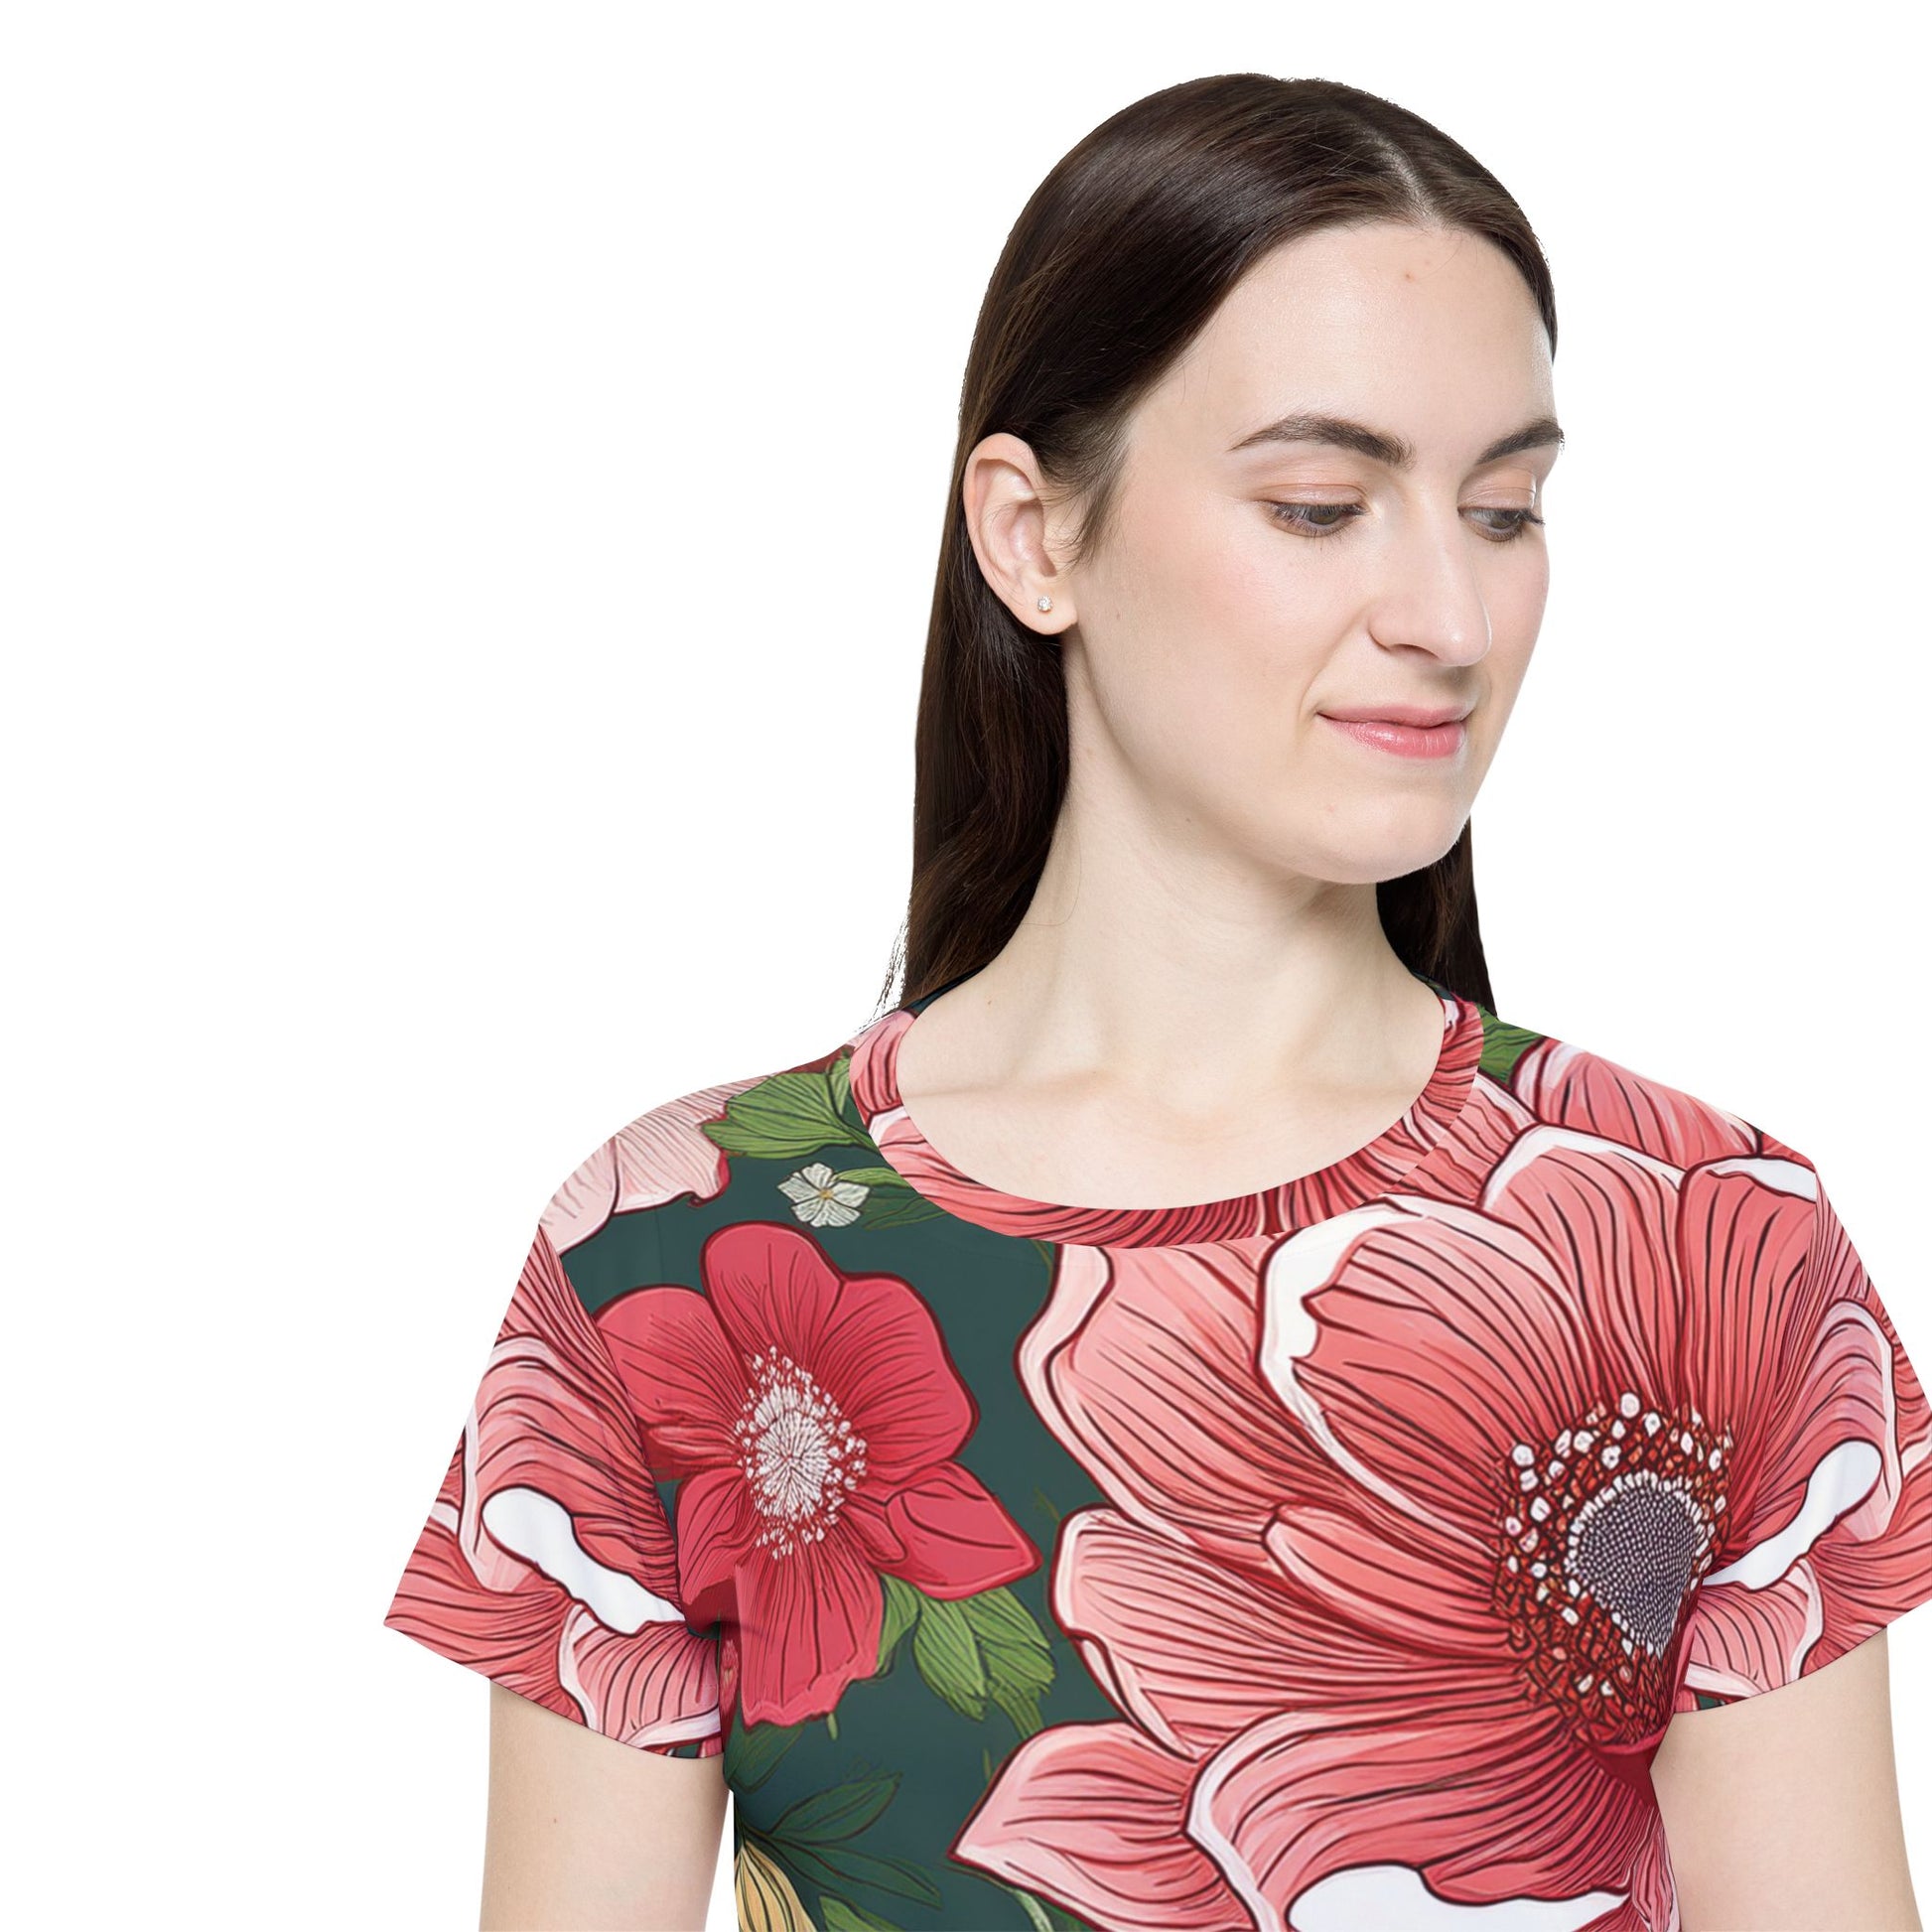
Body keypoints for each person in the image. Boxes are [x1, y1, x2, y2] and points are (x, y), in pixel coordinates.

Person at [380, 71, 1932, 1932]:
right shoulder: (669, 1251)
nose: (1448, 615)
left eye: (1503, 510)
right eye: (1318, 505)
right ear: (1032, 535)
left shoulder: (1704, 1237)